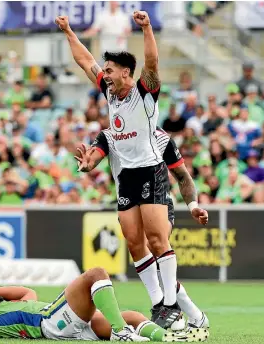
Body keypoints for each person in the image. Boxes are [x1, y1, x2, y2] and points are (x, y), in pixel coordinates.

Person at [56, 11, 182, 328]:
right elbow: (86, 62)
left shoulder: (144, 91)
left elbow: (152, 63)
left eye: (111, 70)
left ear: (126, 73)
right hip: (126, 176)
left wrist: (147, 28)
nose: (105, 74)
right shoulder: (110, 92)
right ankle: (158, 304)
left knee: (157, 239)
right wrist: (69, 32)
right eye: (106, 71)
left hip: (151, 170)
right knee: (133, 241)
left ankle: (171, 304)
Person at [76, 126, 210, 330]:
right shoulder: (111, 136)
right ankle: (183, 312)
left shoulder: (161, 138)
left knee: (154, 244)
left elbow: (183, 176)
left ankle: (171, 309)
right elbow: (94, 157)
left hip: (159, 200)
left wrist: (193, 206)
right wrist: (88, 165)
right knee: (137, 248)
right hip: (128, 200)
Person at [0, 267, 209, 341]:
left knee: (130, 315)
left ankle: (167, 339)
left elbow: (27, 290)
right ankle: (121, 335)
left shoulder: (13, 304)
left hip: (60, 323)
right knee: (96, 275)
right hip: (51, 322)